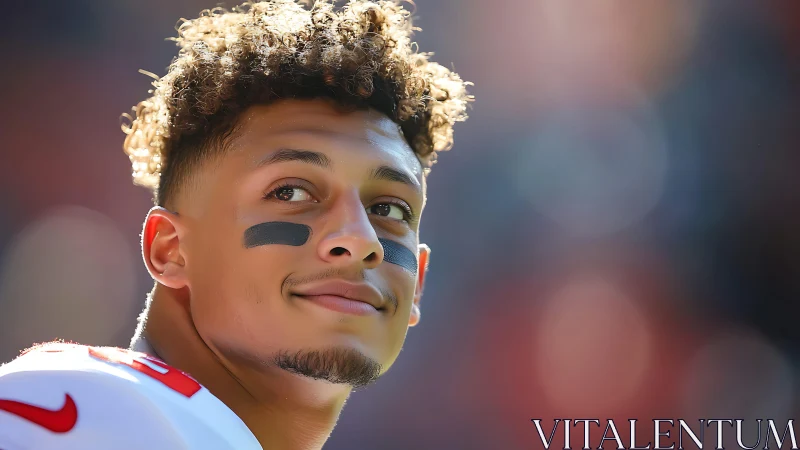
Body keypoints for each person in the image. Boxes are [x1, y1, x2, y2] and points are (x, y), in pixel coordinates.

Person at [0, 0, 471, 449]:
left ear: (419, 284)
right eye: (290, 192)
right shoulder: (86, 406)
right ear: (171, 250)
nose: (360, 240)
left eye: (389, 210)